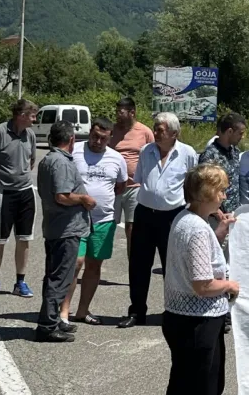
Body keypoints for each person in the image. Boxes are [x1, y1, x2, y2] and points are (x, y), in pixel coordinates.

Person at [157, 165, 239, 395]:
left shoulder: (193, 221)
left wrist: (220, 231)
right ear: (205, 194)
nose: (223, 195)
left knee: (208, 390)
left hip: (201, 319)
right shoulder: (193, 228)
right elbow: (202, 284)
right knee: (184, 391)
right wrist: (232, 285)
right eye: (220, 190)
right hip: (194, 322)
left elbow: (204, 257)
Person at [118, 112, 198, 329]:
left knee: (172, 266)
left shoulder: (187, 153)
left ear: (174, 133)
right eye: (155, 128)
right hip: (145, 213)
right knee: (138, 264)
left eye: (160, 130)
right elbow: (142, 180)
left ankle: (174, 311)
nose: (155, 132)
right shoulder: (147, 150)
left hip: (173, 216)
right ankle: (136, 311)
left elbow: (193, 184)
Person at [60, 117, 128, 325]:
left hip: (104, 220)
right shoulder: (75, 150)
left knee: (94, 265)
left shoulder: (117, 159)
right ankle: (64, 311)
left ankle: (82, 310)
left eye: (103, 139)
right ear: (90, 132)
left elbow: (120, 186)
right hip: (76, 218)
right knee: (75, 263)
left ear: (110, 138)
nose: (98, 141)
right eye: (95, 136)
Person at [36, 121, 95, 343]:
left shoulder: (50, 159)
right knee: (59, 278)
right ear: (71, 139)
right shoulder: (60, 162)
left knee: (55, 276)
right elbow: (62, 195)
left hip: (57, 227)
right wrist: (84, 199)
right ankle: (47, 326)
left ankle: (52, 320)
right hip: (64, 229)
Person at [0, 98, 39, 298]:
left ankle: (20, 282)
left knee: (24, 239)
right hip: (3, 194)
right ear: (21, 115)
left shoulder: (30, 135)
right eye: (32, 115)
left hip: (25, 193)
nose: (35, 120)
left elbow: (31, 162)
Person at [110, 97, 154, 259]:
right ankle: (95, 264)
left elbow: (154, 155)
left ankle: (133, 267)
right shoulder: (112, 130)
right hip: (113, 187)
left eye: (121, 112)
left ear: (132, 112)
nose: (117, 115)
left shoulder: (145, 132)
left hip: (135, 188)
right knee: (106, 226)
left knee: (132, 228)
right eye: (116, 112)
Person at [199, 112, 246, 214]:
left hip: (235, 212)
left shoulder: (235, 151)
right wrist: (219, 215)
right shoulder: (210, 156)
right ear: (230, 131)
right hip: (217, 216)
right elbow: (205, 189)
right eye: (240, 133)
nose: (242, 137)